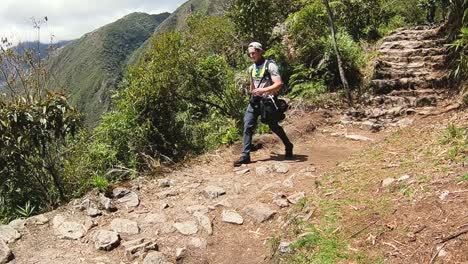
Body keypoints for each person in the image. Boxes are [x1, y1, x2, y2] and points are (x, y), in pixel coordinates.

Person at [233, 42, 293, 166]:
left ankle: (288, 145)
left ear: (260, 51)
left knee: (273, 126)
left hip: (268, 102)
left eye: (253, 53)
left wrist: (263, 90)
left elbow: (278, 84)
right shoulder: (251, 69)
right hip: (255, 101)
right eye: (250, 54)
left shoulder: (270, 66)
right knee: (247, 125)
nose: (251, 56)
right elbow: (252, 85)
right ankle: (245, 155)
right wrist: (253, 92)